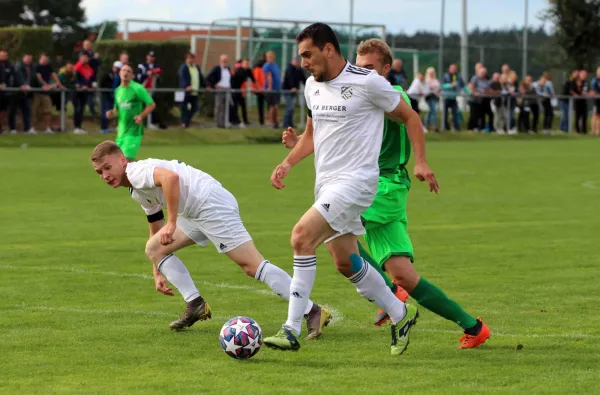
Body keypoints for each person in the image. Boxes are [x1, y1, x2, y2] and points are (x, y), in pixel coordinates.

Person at [282, 38, 491, 349]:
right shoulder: (358, 91)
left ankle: (388, 296)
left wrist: (421, 161)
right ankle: (473, 326)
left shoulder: (390, 94)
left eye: (369, 67)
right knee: (404, 275)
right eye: (358, 66)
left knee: (325, 233)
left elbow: (411, 121)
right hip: (379, 190)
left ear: (385, 68)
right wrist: (299, 142)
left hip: (384, 186)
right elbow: (337, 131)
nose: (362, 72)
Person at [263, 23, 437, 356]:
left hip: (357, 182)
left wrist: (421, 162)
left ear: (329, 49)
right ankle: (401, 313)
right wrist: (288, 162)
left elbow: (411, 118)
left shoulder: (367, 82)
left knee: (301, 237)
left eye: (307, 54)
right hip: (326, 184)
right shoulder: (312, 86)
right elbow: (313, 136)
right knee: (345, 261)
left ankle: (291, 328)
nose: (303, 62)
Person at [89, 141, 331, 337]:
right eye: (100, 172)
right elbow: (155, 225)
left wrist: (172, 223)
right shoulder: (135, 189)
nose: (105, 175)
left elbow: (170, 179)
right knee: (154, 248)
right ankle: (195, 305)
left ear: (122, 161)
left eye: (108, 167)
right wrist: (157, 270)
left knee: (251, 265)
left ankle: (312, 311)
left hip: (209, 204)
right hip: (195, 212)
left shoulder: (137, 171)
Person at [105, 63, 155, 161]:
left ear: (132, 76)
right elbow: (117, 109)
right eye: (123, 70)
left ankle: (139, 173)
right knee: (118, 161)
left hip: (134, 131)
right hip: (121, 132)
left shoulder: (138, 88)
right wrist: (111, 113)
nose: (126, 73)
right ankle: (139, 173)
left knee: (126, 160)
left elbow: (151, 104)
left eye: (128, 71)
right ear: (119, 73)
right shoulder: (118, 91)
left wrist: (141, 116)